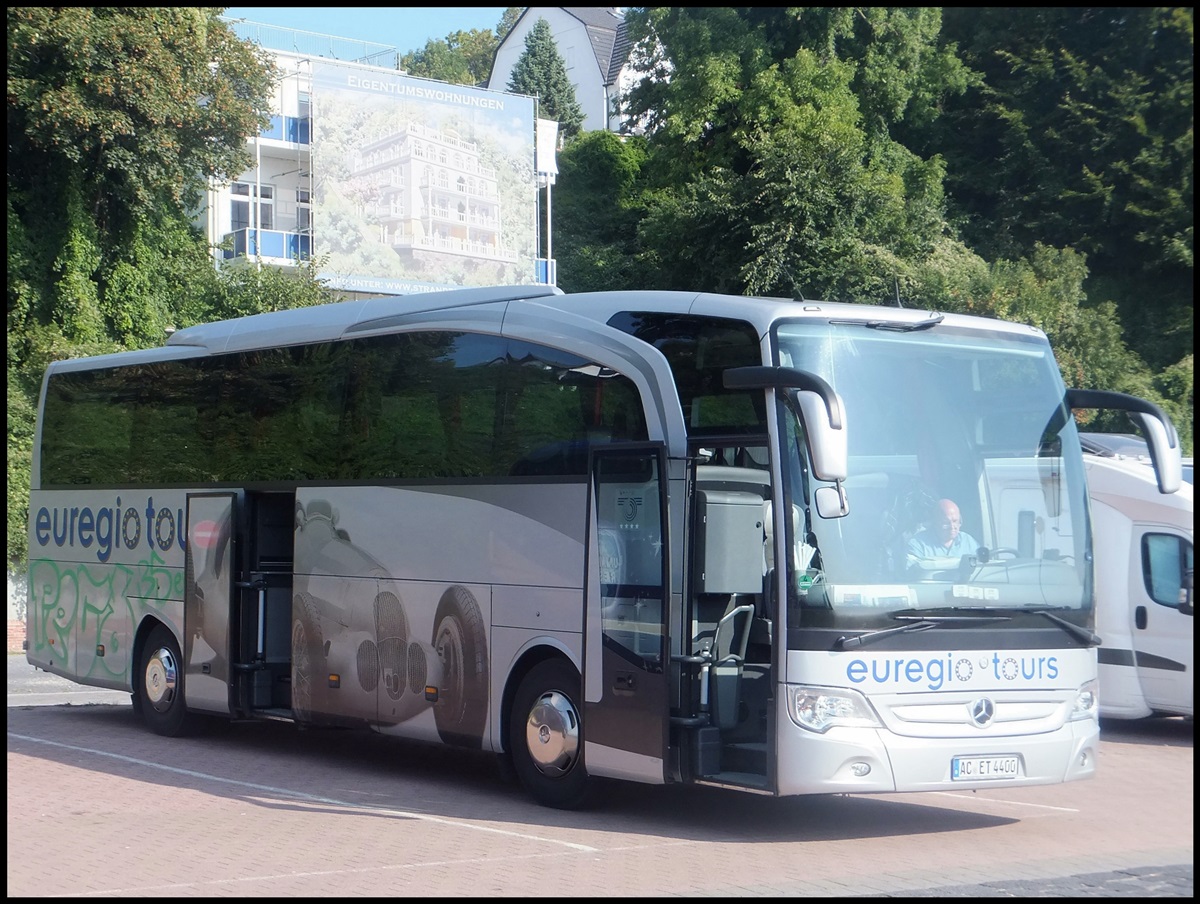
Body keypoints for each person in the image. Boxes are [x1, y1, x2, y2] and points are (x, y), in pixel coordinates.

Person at [906, 498, 980, 573]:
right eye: (946, 523)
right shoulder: (918, 544)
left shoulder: (968, 542)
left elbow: (980, 570)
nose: (952, 527)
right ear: (934, 523)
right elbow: (912, 576)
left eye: (955, 521)